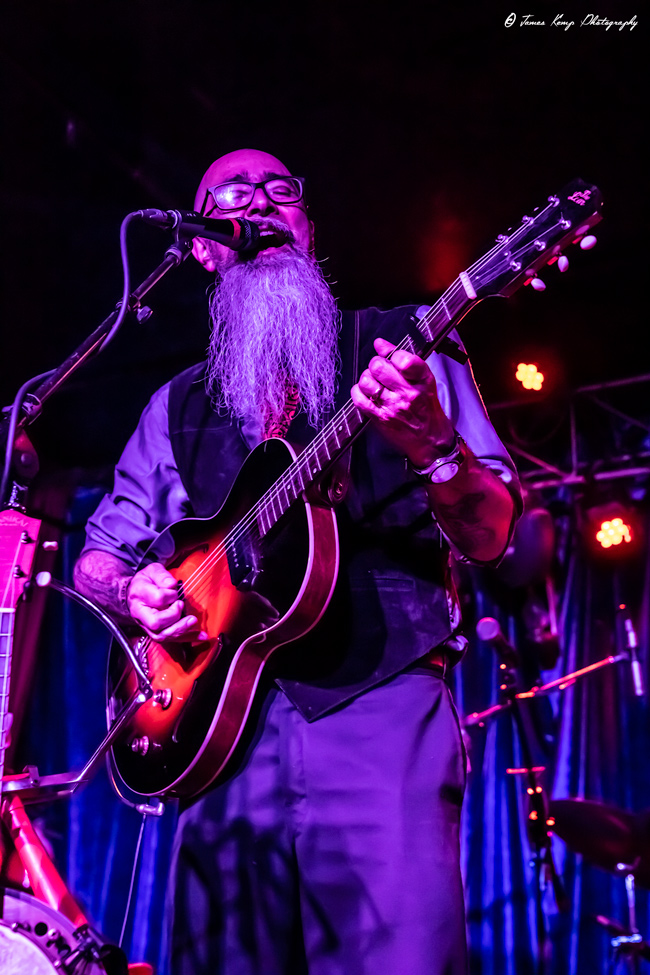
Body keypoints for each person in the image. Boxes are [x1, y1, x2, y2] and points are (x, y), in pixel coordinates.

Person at [74, 149, 521, 975]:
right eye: (235, 195)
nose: (262, 204)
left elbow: (494, 533)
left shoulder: (402, 344)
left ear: (307, 227)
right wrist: (136, 590)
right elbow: (97, 559)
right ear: (203, 246)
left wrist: (434, 447)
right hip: (221, 732)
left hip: (378, 705)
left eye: (282, 191)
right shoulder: (177, 404)